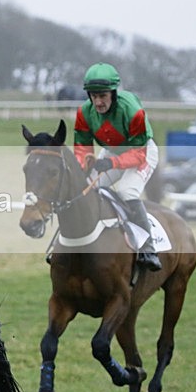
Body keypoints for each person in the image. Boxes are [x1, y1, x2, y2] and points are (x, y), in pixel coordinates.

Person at [74, 62, 163, 272]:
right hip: (113, 153)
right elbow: (82, 149)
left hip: (142, 153)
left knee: (126, 191)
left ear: (113, 93)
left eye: (102, 95)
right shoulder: (84, 113)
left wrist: (112, 162)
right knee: (85, 190)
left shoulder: (131, 110)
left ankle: (148, 248)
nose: (98, 101)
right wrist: (84, 165)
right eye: (93, 96)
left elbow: (138, 152)